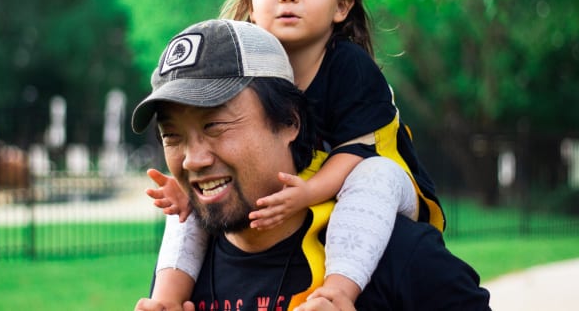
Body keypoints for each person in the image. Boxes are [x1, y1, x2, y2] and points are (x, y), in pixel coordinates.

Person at [146, 0, 446, 307]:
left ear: (342, 6)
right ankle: (167, 300)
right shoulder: (249, 73)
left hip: (376, 177)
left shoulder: (349, 66)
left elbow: (357, 153)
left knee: (376, 175)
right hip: (308, 177)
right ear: (251, 5)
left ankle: (338, 292)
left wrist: (308, 193)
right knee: (195, 210)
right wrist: (187, 189)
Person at [131, 19, 490, 311]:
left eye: (215, 126)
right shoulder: (180, 278)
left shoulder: (396, 253)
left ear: (289, 121)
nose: (194, 159)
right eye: (172, 137)